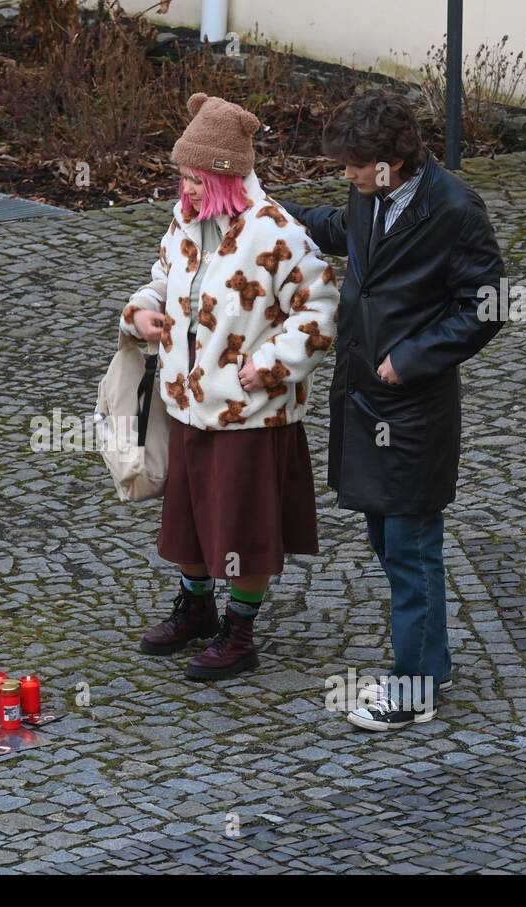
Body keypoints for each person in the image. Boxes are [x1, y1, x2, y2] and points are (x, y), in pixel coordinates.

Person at [278, 88, 505, 731]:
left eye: (353, 165)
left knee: (410, 544)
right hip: (361, 398)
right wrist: (264, 210)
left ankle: (415, 687)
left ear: (392, 161)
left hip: (411, 409)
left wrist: (413, 357)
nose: (344, 174)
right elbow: (339, 229)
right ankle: (430, 661)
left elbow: (484, 306)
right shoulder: (371, 192)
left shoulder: (456, 210)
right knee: (385, 536)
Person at [121, 93, 339, 681]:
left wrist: (269, 365)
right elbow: (161, 277)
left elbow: (319, 309)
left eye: (194, 179)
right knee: (188, 517)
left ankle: (239, 634)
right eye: (182, 177)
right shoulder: (186, 223)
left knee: (241, 525)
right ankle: (196, 607)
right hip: (188, 403)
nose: (184, 189)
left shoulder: (276, 234)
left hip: (249, 412)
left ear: (223, 176)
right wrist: (142, 311)